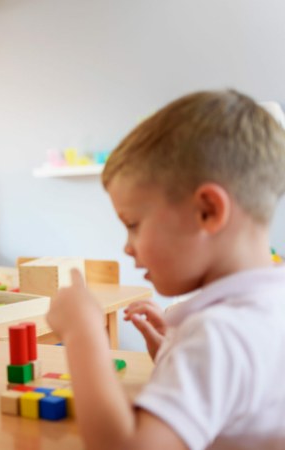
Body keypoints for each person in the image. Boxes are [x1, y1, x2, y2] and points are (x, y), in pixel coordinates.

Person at [46, 90, 285, 449]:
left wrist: (82, 331)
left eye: (133, 223)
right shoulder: (267, 308)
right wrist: (173, 355)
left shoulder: (217, 333)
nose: (127, 246)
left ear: (207, 211)